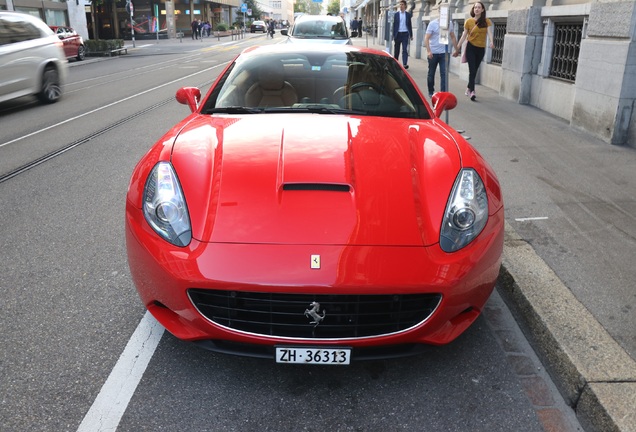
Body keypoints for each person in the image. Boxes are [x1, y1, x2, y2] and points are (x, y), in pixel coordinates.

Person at [453, 1, 494, 101]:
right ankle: (472, 91)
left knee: (475, 70)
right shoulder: (469, 21)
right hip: (471, 47)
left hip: (481, 49)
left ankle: (468, 87)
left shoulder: (486, 21)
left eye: (479, 7)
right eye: (475, 7)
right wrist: (457, 48)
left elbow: (489, 32)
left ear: (482, 10)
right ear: (473, 9)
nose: (477, 9)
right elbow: (464, 35)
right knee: (472, 70)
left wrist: (492, 42)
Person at [425, 18, 457, 97]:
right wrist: (429, 51)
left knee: (444, 73)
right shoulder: (433, 24)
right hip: (433, 53)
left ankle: (443, 93)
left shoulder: (449, 23)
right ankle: (431, 91)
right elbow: (427, 38)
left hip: (444, 53)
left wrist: (456, 49)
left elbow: (452, 36)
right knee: (431, 73)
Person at [393, 0, 413, 69]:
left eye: (402, 4)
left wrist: (411, 35)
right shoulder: (396, 15)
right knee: (397, 50)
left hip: (405, 34)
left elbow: (409, 25)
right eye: (400, 4)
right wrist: (393, 35)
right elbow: (394, 25)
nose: (401, 6)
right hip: (398, 34)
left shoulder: (408, 15)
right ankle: (395, 63)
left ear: (405, 6)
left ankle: (405, 64)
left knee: (405, 49)